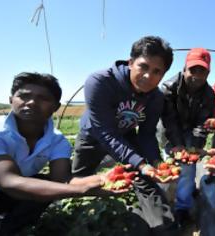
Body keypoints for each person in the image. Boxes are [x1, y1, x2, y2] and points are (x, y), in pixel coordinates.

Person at [0, 72, 129, 235]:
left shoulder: (57, 140)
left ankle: (8, 229)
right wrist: (82, 190)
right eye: (23, 96)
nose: (31, 102)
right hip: (8, 188)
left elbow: (63, 180)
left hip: (6, 194)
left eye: (43, 98)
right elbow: (9, 181)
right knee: (44, 187)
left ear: (56, 107)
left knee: (46, 184)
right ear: (11, 100)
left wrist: (105, 179)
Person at [71, 36, 177, 235]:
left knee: (146, 180)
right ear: (130, 63)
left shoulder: (156, 97)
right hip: (93, 137)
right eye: (143, 66)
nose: (148, 76)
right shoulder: (100, 82)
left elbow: (146, 134)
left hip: (126, 134)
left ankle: (162, 226)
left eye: (157, 72)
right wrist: (140, 163)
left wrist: (154, 162)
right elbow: (105, 132)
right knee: (79, 181)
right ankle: (82, 220)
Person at [160, 48, 215, 230]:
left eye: (203, 72)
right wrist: (178, 145)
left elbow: (202, 123)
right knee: (167, 167)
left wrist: (196, 148)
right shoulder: (169, 87)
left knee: (188, 168)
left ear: (208, 73)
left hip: (191, 131)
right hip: (168, 132)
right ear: (184, 69)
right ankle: (161, 205)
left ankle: (182, 209)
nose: (197, 76)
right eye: (193, 70)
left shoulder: (209, 94)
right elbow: (169, 119)